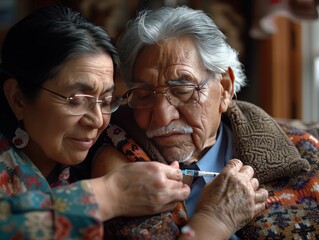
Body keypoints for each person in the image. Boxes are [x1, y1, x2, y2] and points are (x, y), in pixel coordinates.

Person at [92, 5, 319, 240]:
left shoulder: (305, 152)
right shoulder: (122, 164)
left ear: (224, 89)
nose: (162, 116)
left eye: (182, 89)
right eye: (144, 94)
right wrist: (217, 216)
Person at [0, 5, 192, 239]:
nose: (97, 121)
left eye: (107, 101)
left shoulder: (113, 147)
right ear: (18, 99)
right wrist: (111, 195)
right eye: (78, 100)